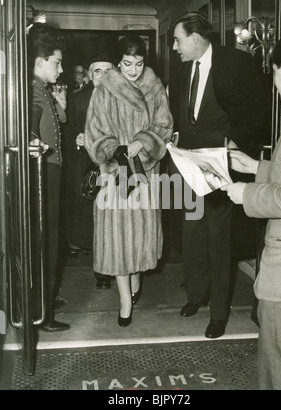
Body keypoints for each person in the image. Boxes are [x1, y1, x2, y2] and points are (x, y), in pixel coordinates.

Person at [169, 12, 266, 339]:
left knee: (218, 241)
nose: (174, 46)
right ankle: (196, 295)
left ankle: (219, 315)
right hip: (188, 165)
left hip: (220, 166)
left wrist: (237, 140)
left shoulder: (233, 62)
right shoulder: (183, 67)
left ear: (195, 38)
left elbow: (257, 108)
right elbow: (182, 113)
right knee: (192, 234)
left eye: (178, 39)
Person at [222, 31, 281, 390]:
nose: (275, 85)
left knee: (279, 367)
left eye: (274, 75)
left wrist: (246, 194)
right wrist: (256, 166)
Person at [84, 35, 173, 327]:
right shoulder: (103, 89)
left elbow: (164, 125)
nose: (133, 70)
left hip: (144, 176)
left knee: (140, 241)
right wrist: (115, 149)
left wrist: (143, 142)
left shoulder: (154, 87)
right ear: (118, 61)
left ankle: (135, 283)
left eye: (139, 63)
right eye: (127, 64)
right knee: (117, 241)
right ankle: (124, 302)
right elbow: (94, 131)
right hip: (114, 177)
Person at [27, 23, 70, 332]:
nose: (61, 67)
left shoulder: (41, 88)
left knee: (50, 238)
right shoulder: (33, 89)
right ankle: (43, 313)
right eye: (56, 61)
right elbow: (29, 127)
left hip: (49, 170)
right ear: (40, 61)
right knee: (47, 241)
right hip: (43, 172)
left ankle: (44, 298)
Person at [63, 52, 114, 289]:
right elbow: (65, 132)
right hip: (86, 168)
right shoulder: (76, 99)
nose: (102, 76)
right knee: (92, 221)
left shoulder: (123, 97)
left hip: (115, 166)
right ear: (89, 74)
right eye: (97, 71)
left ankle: (109, 268)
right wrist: (76, 137)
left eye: (107, 70)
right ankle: (100, 269)